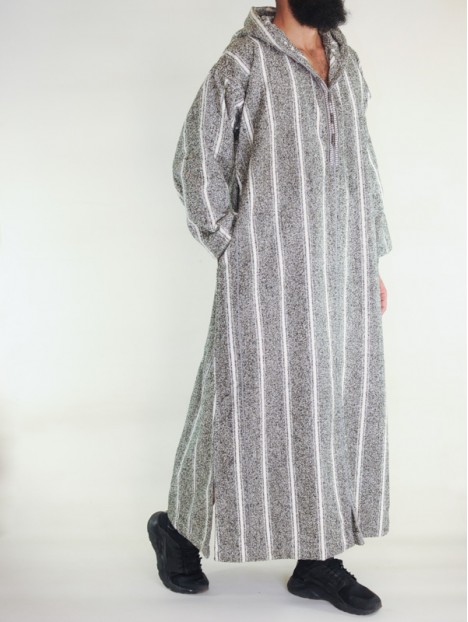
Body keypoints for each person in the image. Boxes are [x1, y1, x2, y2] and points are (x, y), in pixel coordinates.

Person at [147, 0, 393, 615]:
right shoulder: (244, 62)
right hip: (265, 275)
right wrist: (232, 244)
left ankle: (319, 560)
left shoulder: (346, 61)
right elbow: (195, 159)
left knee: (333, 405)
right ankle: (177, 531)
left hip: (341, 271)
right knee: (241, 404)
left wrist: (370, 259)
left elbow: (361, 161)